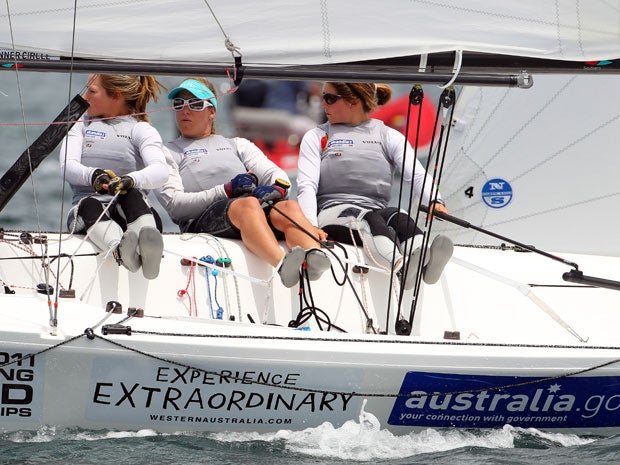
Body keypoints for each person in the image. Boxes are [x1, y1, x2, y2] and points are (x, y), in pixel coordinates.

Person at [154, 77, 331, 288]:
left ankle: (314, 257)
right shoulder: (166, 152)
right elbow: (174, 206)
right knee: (247, 205)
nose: (185, 110)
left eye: (195, 104)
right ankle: (283, 266)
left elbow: (280, 178)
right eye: (178, 104)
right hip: (202, 220)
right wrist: (226, 190)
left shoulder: (238, 144)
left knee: (289, 206)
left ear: (212, 111)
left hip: (246, 212)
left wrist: (275, 189)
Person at [297, 82, 453, 289]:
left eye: (329, 98)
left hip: (375, 210)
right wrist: (310, 225)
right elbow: (306, 185)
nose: (322, 103)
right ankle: (403, 268)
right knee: (370, 221)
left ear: (353, 102)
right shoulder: (317, 136)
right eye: (323, 97)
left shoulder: (389, 136)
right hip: (332, 212)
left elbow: (416, 174)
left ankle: (422, 258)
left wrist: (434, 199)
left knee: (401, 218)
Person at [60, 74, 168, 279]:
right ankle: (121, 250)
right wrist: (93, 175)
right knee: (89, 203)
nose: (84, 97)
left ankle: (146, 244)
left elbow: (161, 171)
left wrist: (130, 180)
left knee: (132, 195)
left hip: (130, 212)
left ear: (116, 95)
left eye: (92, 91)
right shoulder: (80, 124)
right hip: (88, 212)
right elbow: (67, 166)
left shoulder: (141, 129)